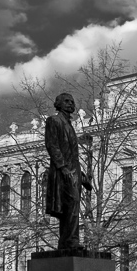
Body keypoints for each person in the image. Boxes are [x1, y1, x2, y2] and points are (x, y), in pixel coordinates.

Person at [45, 92, 93, 250]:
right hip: (63, 171)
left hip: (74, 171)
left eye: (72, 102)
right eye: (66, 101)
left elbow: (73, 154)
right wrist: (63, 168)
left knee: (73, 206)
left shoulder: (69, 125)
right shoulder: (54, 121)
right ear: (58, 104)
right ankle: (70, 241)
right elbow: (52, 145)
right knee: (70, 204)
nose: (70, 104)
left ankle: (67, 241)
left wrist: (82, 175)